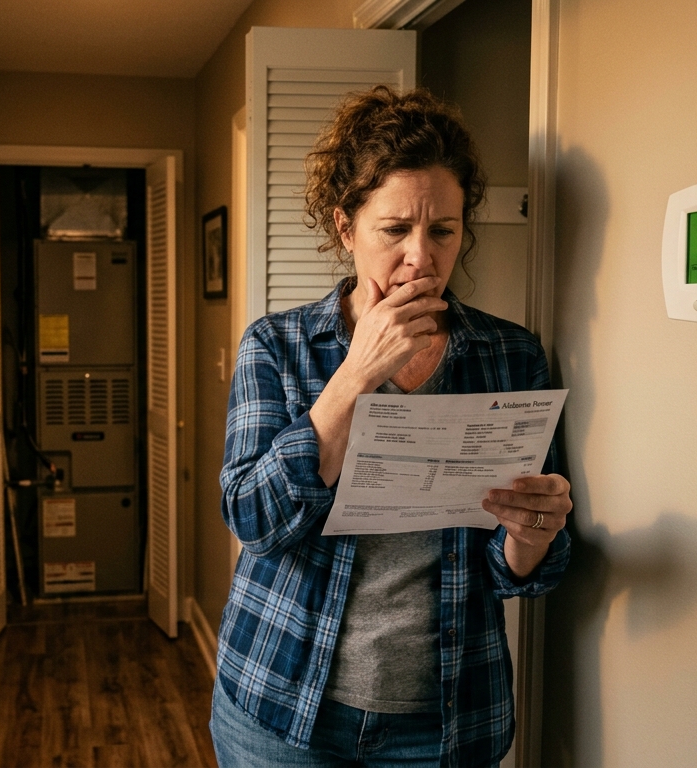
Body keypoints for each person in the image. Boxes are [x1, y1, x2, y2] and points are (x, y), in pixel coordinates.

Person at [213, 86, 572, 768]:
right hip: (282, 707)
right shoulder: (277, 346)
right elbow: (253, 518)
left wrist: (532, 535)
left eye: (442, 230)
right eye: (394, 229)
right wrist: (354, 377)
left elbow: (520, 571)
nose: (420, 257)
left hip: (446, 721)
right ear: (347, 227)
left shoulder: (510, 354)